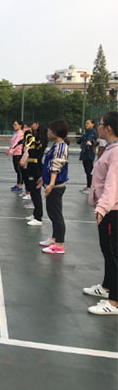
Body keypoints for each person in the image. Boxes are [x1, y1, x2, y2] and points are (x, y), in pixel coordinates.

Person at [85, 111, 118, 315]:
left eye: (100, 123)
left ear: (109, 128)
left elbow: (112, 185)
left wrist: (102, 208)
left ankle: (114, 302)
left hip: (112, 211)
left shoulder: (116, 152)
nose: (98, 126)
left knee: (114, 254)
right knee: (107, 250)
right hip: (107, 209)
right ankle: (107, 287)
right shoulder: (110, 148)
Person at [38, 119, 69, 254]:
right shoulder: (55, 145)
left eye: (50, 130)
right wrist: (43, 178)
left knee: (56, 215)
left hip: (56, 187)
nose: (48, 132)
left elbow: (56, 166)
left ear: (56, 132)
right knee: (52, 213)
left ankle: (59, 245)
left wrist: (51, 184)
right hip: (52, 184)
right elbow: (49, 165)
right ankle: (54, 238)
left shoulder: (61, 147)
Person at [21, 122, 44, 224]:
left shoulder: (36, 141)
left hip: (35, 168)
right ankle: (35, 214)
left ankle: (38, 218)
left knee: (35, 192)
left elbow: (31, 141)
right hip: (31, 166)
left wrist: (28, 134)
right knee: (33, 192)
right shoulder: (33, 141)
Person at [76, 119, 98, 194]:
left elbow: (90, 138)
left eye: (88, 123)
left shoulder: (93, 131)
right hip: (85, 153)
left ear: (93, 124)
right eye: (86, 123)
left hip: (89, 153)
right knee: (87, 170)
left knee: (89, 170)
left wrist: (88, 141)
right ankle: (89, 186)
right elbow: (80, 140)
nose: (86, 124)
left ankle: (90, 187)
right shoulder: (87, 132)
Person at [7, 120, 24, 192]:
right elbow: (12, 143)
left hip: (18, 153)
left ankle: (20, 185)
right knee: (17, 169)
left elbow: (16, 143)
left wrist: (11, 151)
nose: (14, 126)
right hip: (15, 153)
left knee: (19, 170)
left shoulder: (20, 134)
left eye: (15, 125)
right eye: (14, 125)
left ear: (20, 126)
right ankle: (18, 184)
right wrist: (9, 150)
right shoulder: (16, 133)